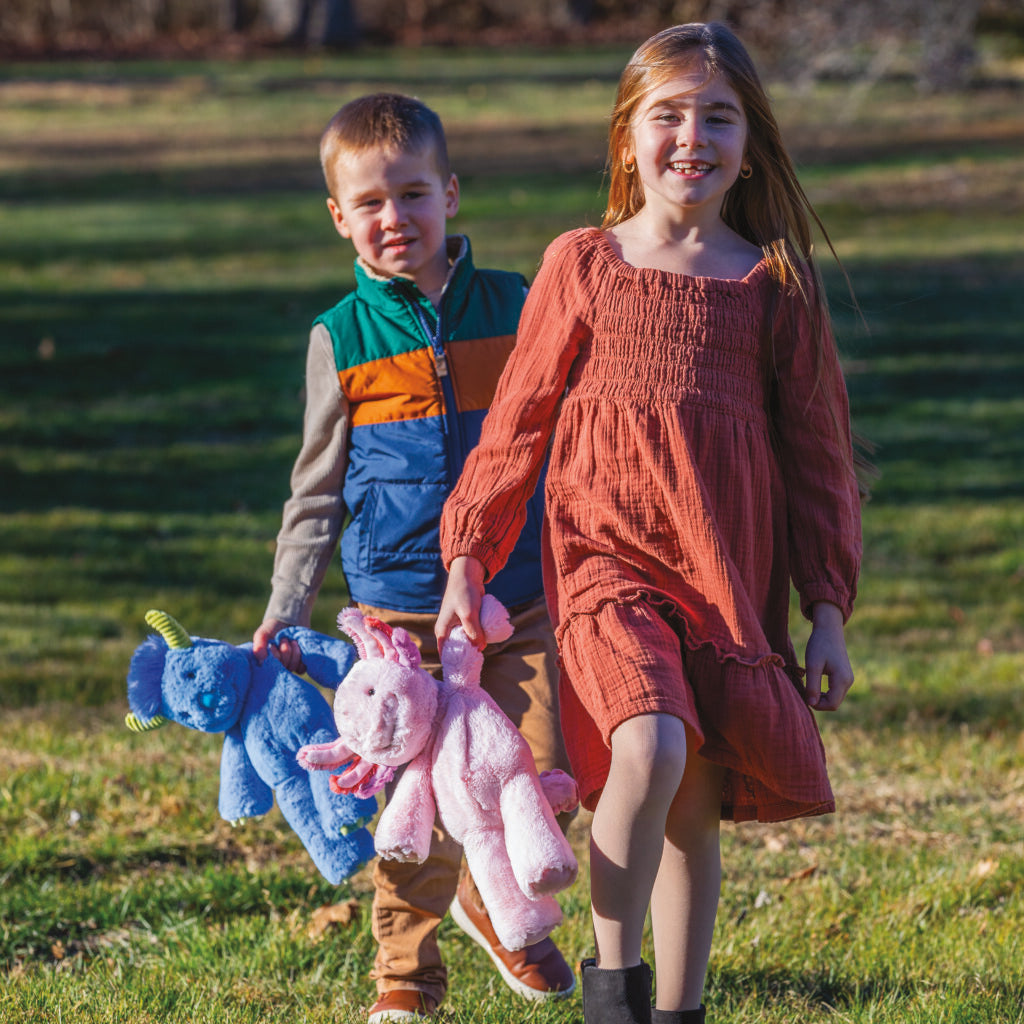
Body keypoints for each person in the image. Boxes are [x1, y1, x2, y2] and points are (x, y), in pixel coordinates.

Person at [436, 22, 863, 1024]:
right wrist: (468, 553)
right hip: (601, 558)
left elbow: (817, 461)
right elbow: (516, 423)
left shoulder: (774, 283)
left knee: (692, 809)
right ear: (627, 135)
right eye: (667, 114)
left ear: (749, 144)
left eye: (718, 117)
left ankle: (677, 1009)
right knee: (653, 740)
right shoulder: (583, 262)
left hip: (723, 571)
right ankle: (611, 984)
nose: (692, 136)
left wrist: (827, 609)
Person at [252, 92, 574, 1023]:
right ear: (338, 216)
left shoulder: (517, 305)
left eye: (414, 193)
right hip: (395, 621)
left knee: (541, 773)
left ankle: (494, 894)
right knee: (413, 805)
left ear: (452, 194)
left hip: (515, 600)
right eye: (371, 202)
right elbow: (315, 490)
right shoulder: (340, 340)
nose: (394, 218)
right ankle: (408, 973)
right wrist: (287, 601)